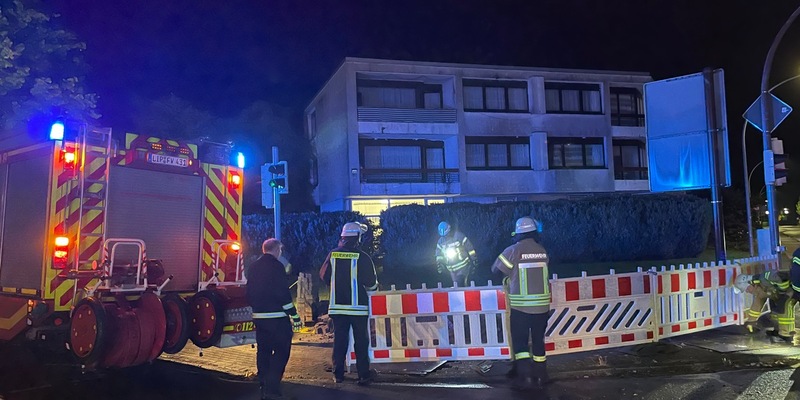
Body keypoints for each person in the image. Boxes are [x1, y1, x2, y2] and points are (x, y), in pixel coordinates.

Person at [491, 216, 550, 390]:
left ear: (518, 233)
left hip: (521, 307)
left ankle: (524, 377)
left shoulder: (513, 250)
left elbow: (495, 269)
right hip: (542, 307)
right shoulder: (542, 250)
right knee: (538, 341)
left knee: (521, 343)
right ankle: (542, 375)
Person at [320, 222, 378, 386]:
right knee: (361, 342)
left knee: (340, 341)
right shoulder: (363, 257)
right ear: (357, 238)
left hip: (337, 308)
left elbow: (324, 276)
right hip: (358, 308)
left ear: (343, 237)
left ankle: (338, 375)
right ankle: (363, 375)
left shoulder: (333, 255)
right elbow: (371, 283)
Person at [247, 238, 302, 400]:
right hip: (277, 319)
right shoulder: (277, 267)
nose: (280, 253)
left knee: (263, 351)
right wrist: (294, 315)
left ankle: (263, 383)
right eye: (280, 250)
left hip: (259, 317)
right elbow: (282, 294)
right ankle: (272, 387)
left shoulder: (254, 266)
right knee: (281, 351)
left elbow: (249, 292)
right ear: (276, 249)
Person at [435, 221, 478, 287]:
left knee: (461, 282)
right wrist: (439, 264)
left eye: (447, 235)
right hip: (451, 268)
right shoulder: (440, 242)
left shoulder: (458, 236)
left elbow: (469, 247)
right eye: (444, 236)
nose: (446, 237)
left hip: (463, 265)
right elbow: (438, 254)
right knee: (456, 285)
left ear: (449, 230)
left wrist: (474, 258)